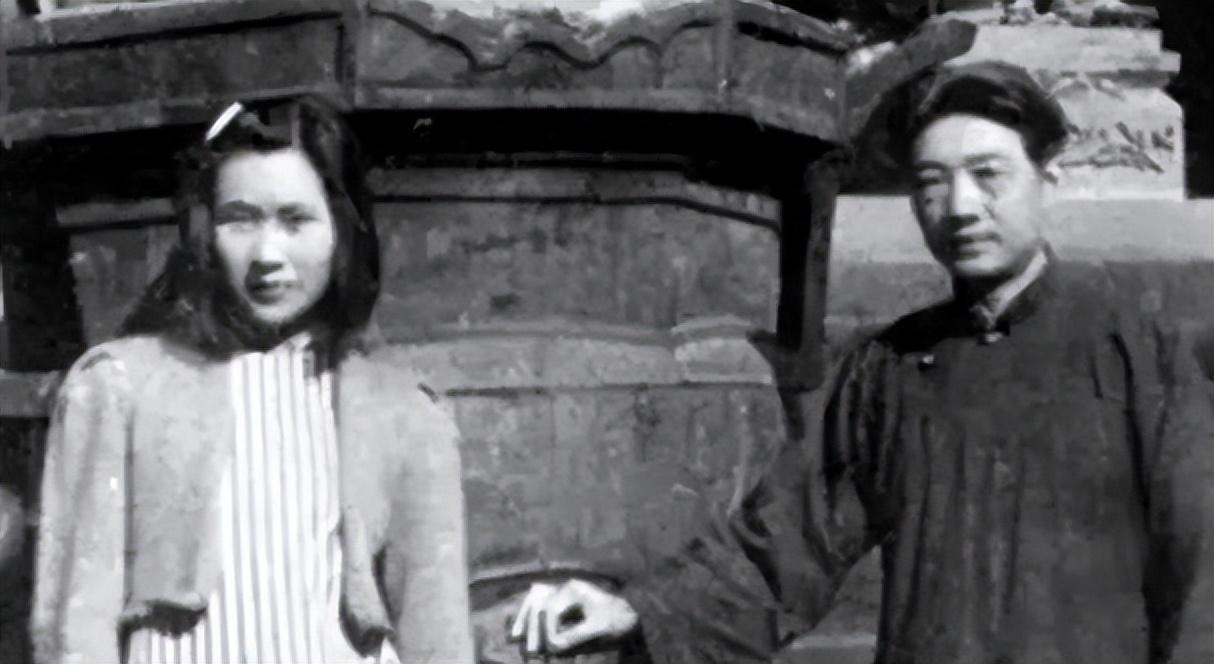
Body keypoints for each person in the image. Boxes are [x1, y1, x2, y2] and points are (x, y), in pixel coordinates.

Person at [508, 61, 1214, 664]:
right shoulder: (890, 370)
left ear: (1046, 178)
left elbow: (1203, 571)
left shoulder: (1139, 356)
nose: (960, 206)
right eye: (931, 183)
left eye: (988, 175)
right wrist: (640, 610)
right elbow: (788, 544)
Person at [31, 96, 474, 664]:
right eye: (239, 219)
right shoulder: (119, 387)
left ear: (342, 230)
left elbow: (437, 634)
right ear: (204, 232)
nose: (267, 253)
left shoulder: (404, 410)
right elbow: (74, 625)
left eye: (295, 220)